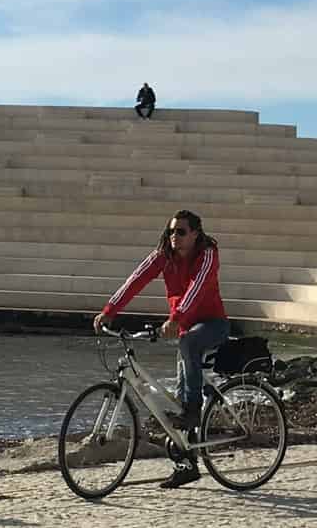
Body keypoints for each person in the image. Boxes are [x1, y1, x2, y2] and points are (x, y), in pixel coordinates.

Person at [95, 208, 227, 489]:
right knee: (180, 390)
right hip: (183, 327)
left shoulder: (207, 255)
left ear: (195, 233)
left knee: (189, 346)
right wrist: (110, 310)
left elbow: (197, 288)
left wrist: (175, 318)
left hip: (212, 324)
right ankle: (186, 465)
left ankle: (194, 410)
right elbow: (136, 279)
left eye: (181, 232)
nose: (174, 237)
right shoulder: (163, 256)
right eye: (170, 231)